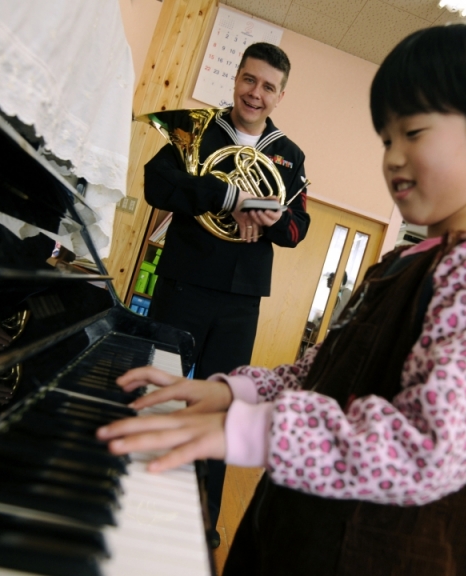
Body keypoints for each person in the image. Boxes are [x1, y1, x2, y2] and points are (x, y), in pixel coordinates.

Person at [98, 21, 466, 575]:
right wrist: (229, 392)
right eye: (388, 138)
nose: (393, 157)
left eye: (416, 133)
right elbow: (323, 372)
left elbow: (423, 448)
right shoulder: (406, 262)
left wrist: (246, 429)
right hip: (296, 533)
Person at [143, 41, 310, 545]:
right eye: (249, 80)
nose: (255, 94)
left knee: (224, 407)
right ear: (236, 79)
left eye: (267, 87)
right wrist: (228, 195)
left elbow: (300, 229)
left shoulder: (290, 154)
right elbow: (157, 185)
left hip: (240, 300)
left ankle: (203, 520)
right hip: (183, 281)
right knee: (158, 388)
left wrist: (274, 217)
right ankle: (135, 487)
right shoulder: (199, 128)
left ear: (281, 96)